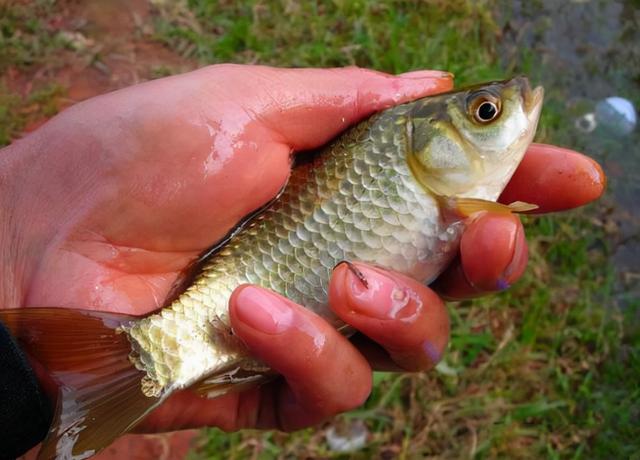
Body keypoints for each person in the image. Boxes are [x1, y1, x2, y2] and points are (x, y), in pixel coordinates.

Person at [0, 65, 604, 458]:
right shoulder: (445, 187)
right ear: (429, 138)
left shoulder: (459, 198)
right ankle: (152, 356)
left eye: (485, 113)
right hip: (225, 293)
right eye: (484, 114)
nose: (508, 109)